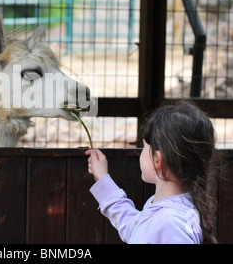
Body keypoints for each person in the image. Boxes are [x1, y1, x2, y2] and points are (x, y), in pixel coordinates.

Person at [86, 101, 222, 244]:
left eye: (144, 147)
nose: (142, 153)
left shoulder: (169, 223)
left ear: (157, 160)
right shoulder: (171, 210)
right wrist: (103, 179)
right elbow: (134, 227)